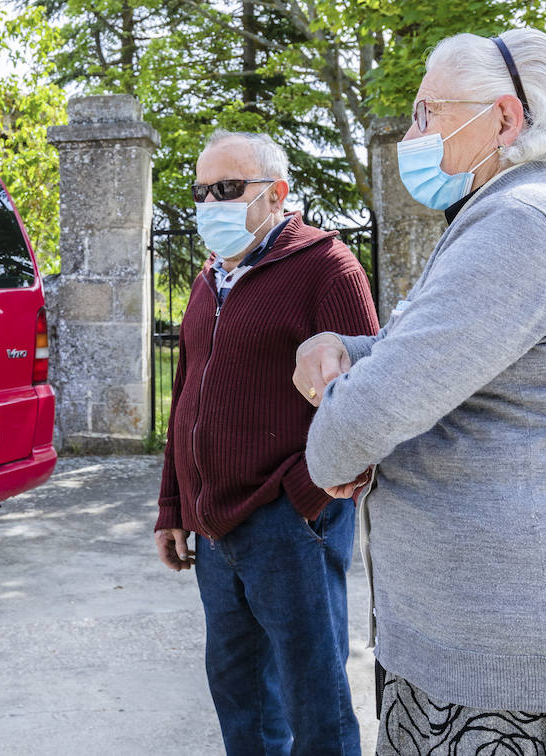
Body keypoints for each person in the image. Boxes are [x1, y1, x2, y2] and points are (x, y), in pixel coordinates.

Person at [293, 28, 546, 754]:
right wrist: (350, 348)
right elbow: (467, 360)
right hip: (515, 636)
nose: (411, 134)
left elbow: (352, 431)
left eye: (425, 112)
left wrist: (342, 419)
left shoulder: (522, 224)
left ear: (504, 118)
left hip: (514, 656)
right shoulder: (530, 211)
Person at [154, 130, 379, 756]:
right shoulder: (209, 279)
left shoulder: (327, 268)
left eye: (227, 190)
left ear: (277, 194)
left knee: (317, 704)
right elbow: (184, 398)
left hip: (290, 525)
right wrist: (174, 507)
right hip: (214, 527)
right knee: (241, 699)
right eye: (201, 193)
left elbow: (367, 394)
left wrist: (301, 493)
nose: (209, 205)